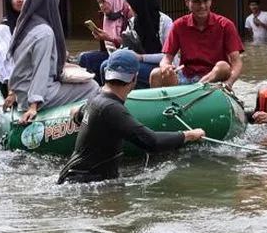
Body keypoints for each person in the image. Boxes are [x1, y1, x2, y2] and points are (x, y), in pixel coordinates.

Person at [57, 49, 205, 184]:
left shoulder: (95, 99)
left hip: (75, 178)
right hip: (85, 183)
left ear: (107, 72)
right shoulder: (112, 108)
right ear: (135, 77)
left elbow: (76, 114)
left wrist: (79, 111)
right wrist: (189, 135)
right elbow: (152, 142)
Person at [5, 0, 99, 124]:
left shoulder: (21, 26)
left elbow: (19, 65)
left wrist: (12, 92)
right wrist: (34, 105)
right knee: (92, 86)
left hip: (21, 93)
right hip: (39, 95)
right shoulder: (44, 32)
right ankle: (82, 123)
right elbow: (40, 69)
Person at [150, 0, 244, 90]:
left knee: (223, 66)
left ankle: (195, 88)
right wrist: (165, 66)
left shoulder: (225, 25)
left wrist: (229, 83)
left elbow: (236, 62)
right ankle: (192, 90)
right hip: (186, 77)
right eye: (197, 1)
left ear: (211, 1)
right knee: (156, 73)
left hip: (215, 78)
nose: (202, 6)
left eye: (205, 1)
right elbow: (167, 58)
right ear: (187, 2)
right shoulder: (179, 25)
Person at [115, 0, 173, 89]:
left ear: (140, 5)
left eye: (131, 5)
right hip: (137, 62)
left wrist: (142, 57)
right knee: (106, 65)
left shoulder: (165, 22)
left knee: (124, 71)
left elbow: (170, 56)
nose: (129, 8)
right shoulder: (133, 22)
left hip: (160, 67)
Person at [78, 0, 133, 81]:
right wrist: (100, 36)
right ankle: (92, 88)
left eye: (103, 1)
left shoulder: (128, 14)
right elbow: (105, 47)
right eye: (99, 3)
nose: (101, 6)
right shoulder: (105, 16)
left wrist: (109, 38)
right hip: (109, 52)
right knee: (84, 58)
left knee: (104, 65)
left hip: (125, 54)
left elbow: (130, 43)